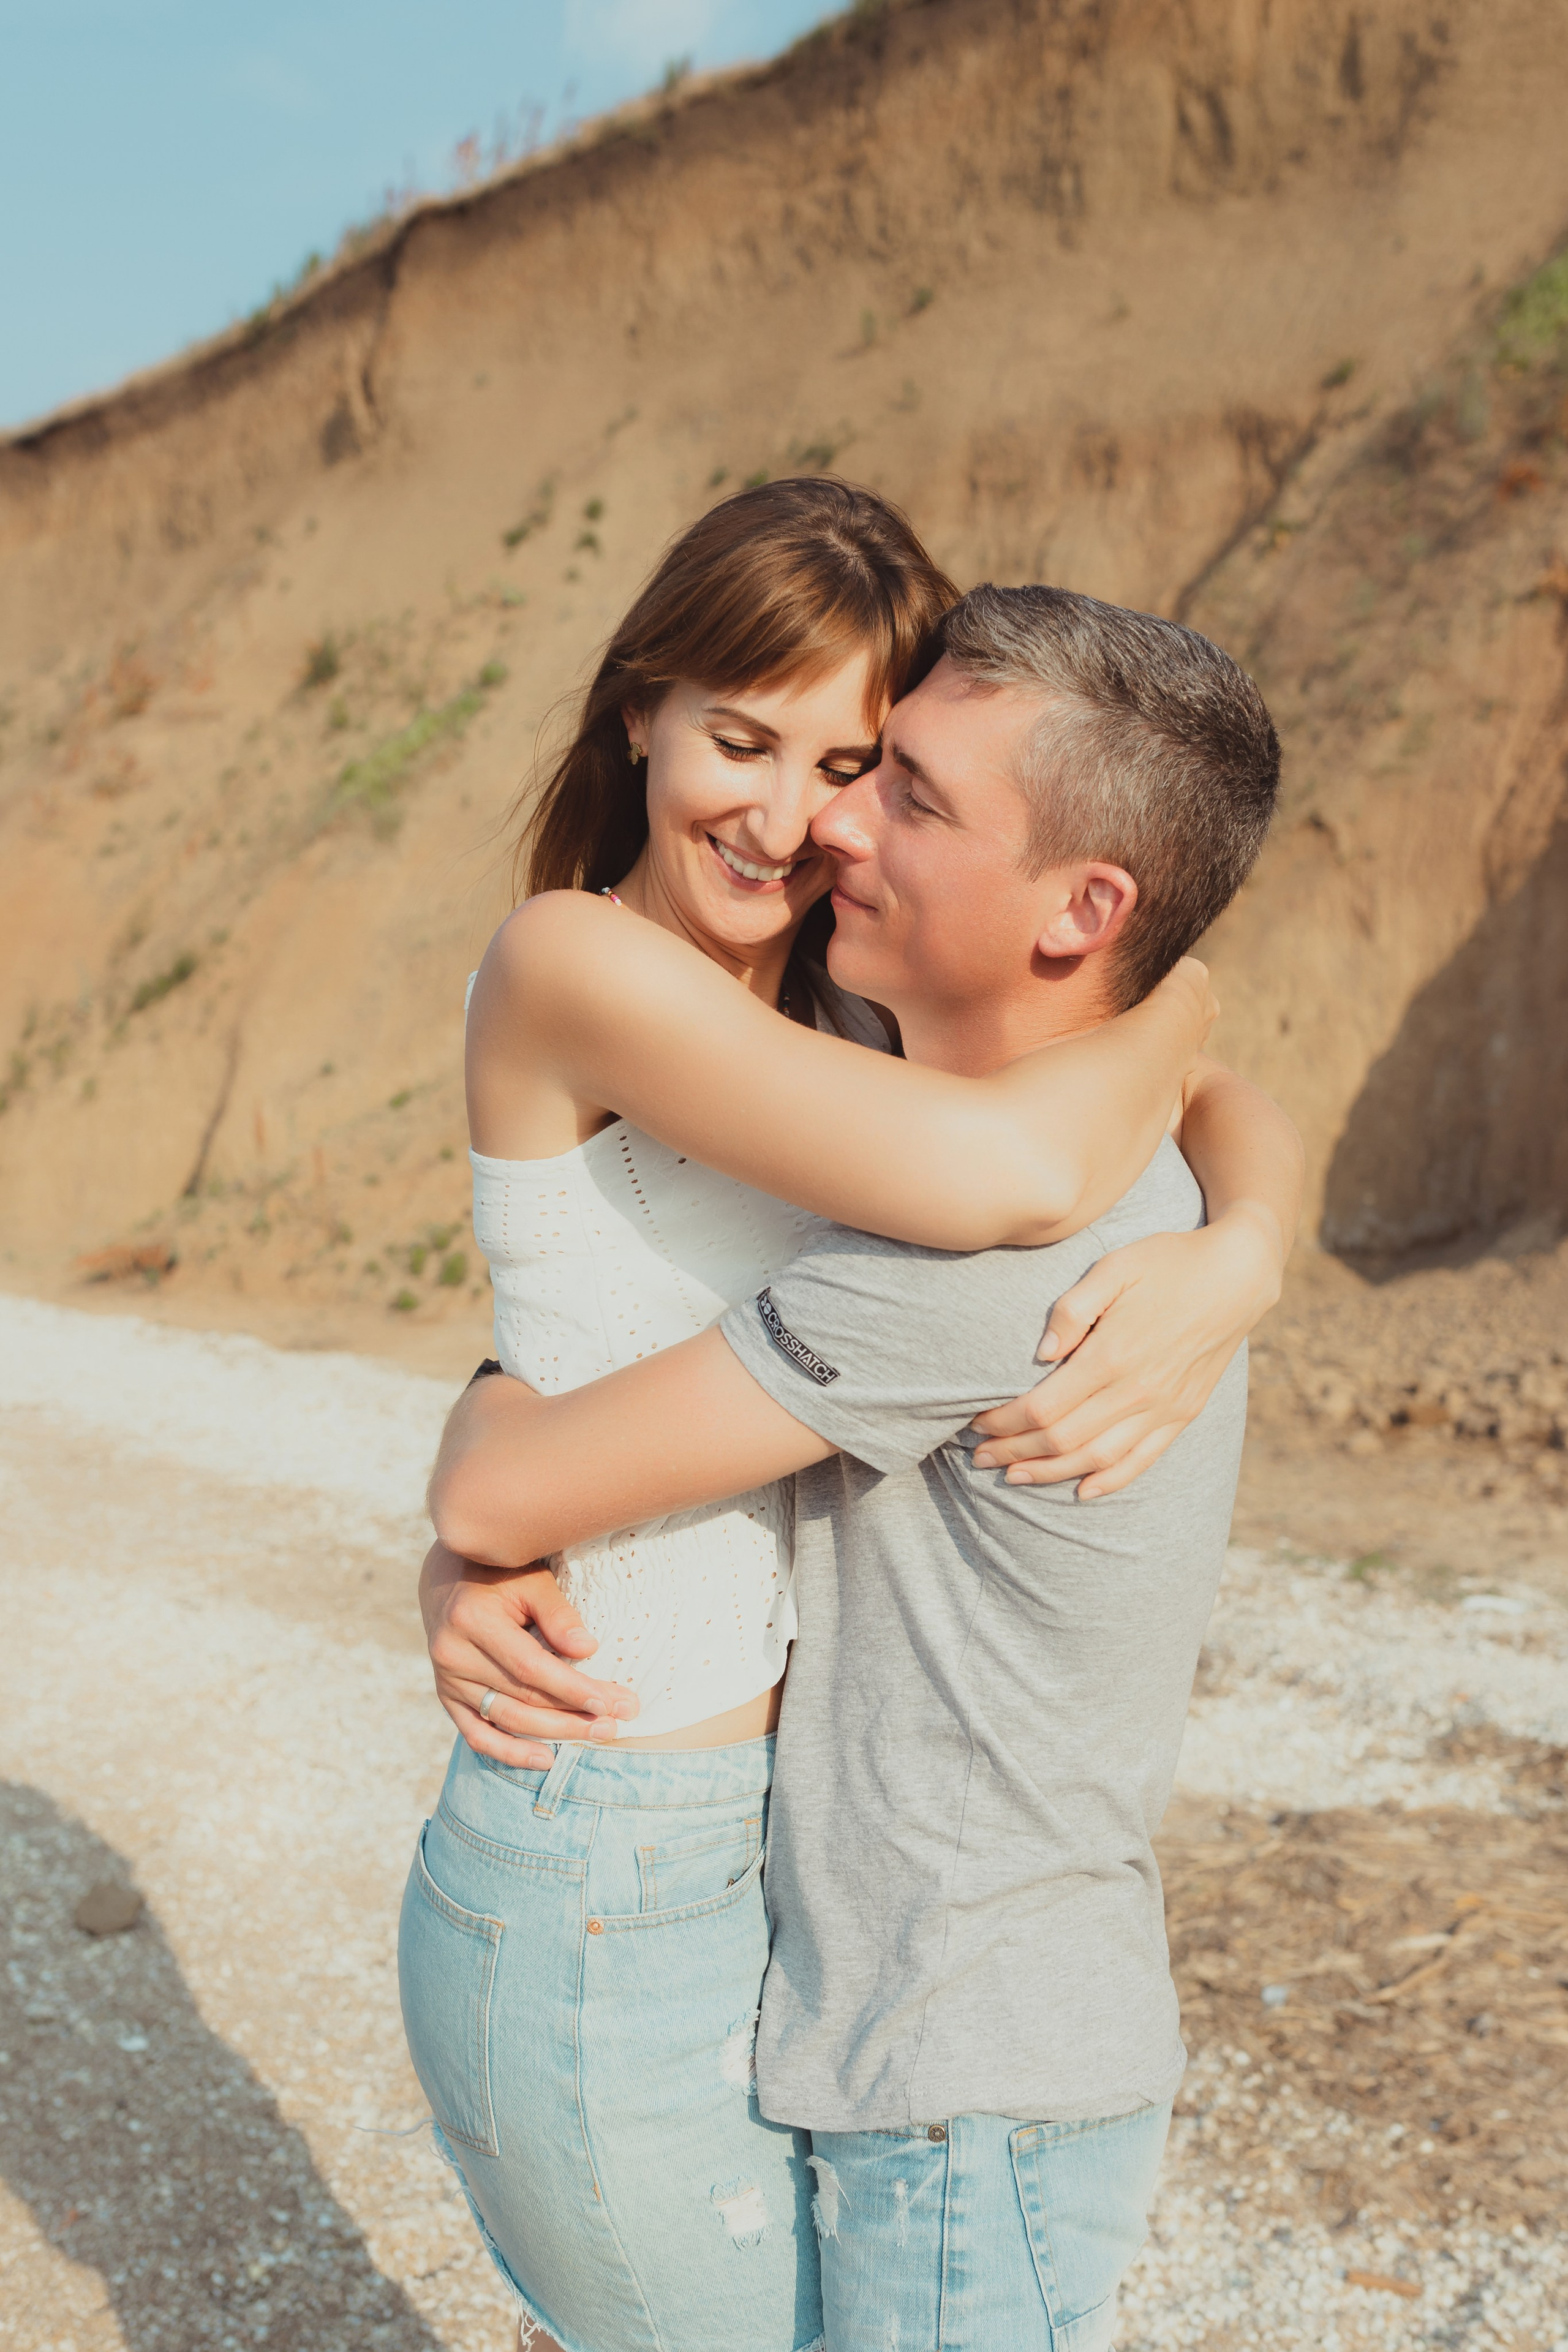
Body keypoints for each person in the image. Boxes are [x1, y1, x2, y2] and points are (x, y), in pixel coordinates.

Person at [401, 490, 1302, 2352]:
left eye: (867, 772)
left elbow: (1155, 1082)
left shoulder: (855, 1035)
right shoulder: (593, 965)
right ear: (637, 707)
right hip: (618, 1830)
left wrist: (1254, 1236)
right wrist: (470, 1519)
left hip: (807, 1913)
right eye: (747, 740)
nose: (809, 816)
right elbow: (1050, 1134)